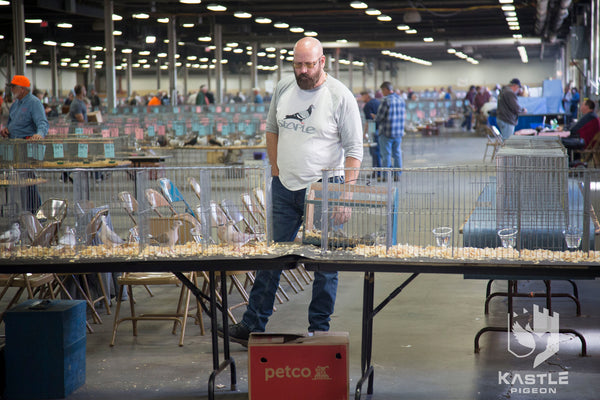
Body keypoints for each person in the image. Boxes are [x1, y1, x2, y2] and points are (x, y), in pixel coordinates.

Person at [220, 37, 363, 346]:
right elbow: (272, 129)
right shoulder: (284, 88)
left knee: (324, 263)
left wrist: (346, 198)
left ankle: (319, 330)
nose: (303, 70)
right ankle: (252, 324)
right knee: (273, 258)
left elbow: (354, 151)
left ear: (322, 62)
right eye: (298, 64)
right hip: (284, 187)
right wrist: (275, 167)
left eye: (309, 64)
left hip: (325, 189)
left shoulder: (340, 97)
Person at [0, 75, 48, 212]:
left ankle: (35, 213)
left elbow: (42, 122)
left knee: (28, 182)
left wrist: (39, 134)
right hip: (15, 148)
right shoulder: (15, 105)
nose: (12, 90)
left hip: (27, 148)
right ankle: (29, 213)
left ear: (22, 89)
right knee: (23, 183)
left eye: (14, 87)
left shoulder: (34, 102)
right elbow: (12, 124)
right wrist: (6, 130)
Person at [372, 81, 405, 181]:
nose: (382, 93)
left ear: (386, 89)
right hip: (398, 133)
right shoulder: (401, 99)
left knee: (386, 154)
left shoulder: (386, 100)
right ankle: (397, 175)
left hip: (386, 132)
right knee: (397, 154)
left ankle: (386, 176)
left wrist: (375, 117)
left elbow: (380, 117)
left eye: (382, 90)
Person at [361, 90, 381, 176]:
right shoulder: (378, 102)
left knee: (374, 153)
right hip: (381, 130)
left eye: (362, 96)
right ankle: (378, 171)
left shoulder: (367, 106)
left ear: (367, 96)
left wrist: (365, 133)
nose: (361, 98)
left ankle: (377, 172)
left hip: (373, 131)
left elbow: (369, 121)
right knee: (379, 152)